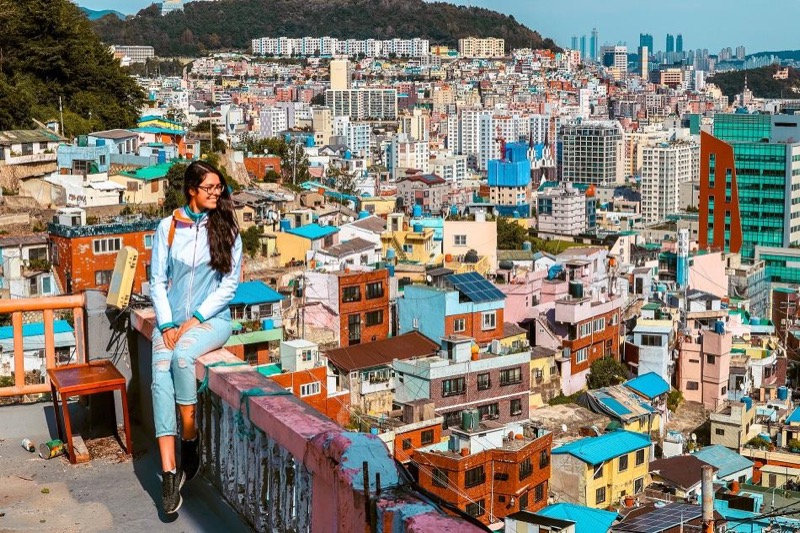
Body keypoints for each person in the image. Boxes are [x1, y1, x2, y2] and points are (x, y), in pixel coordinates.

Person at [149, 160, 242, 514]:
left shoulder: (227, 229)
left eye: (219, 188)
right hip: (170, 322)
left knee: (183, 356)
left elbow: (229, 286)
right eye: (209, 188)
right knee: (160, 376)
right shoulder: (168, 228)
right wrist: (169, 323)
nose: (216, 193)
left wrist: (196, 319)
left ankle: (190, 437)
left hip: (212, 321)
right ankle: (170, 474)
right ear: (192, 189)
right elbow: (156, 281)